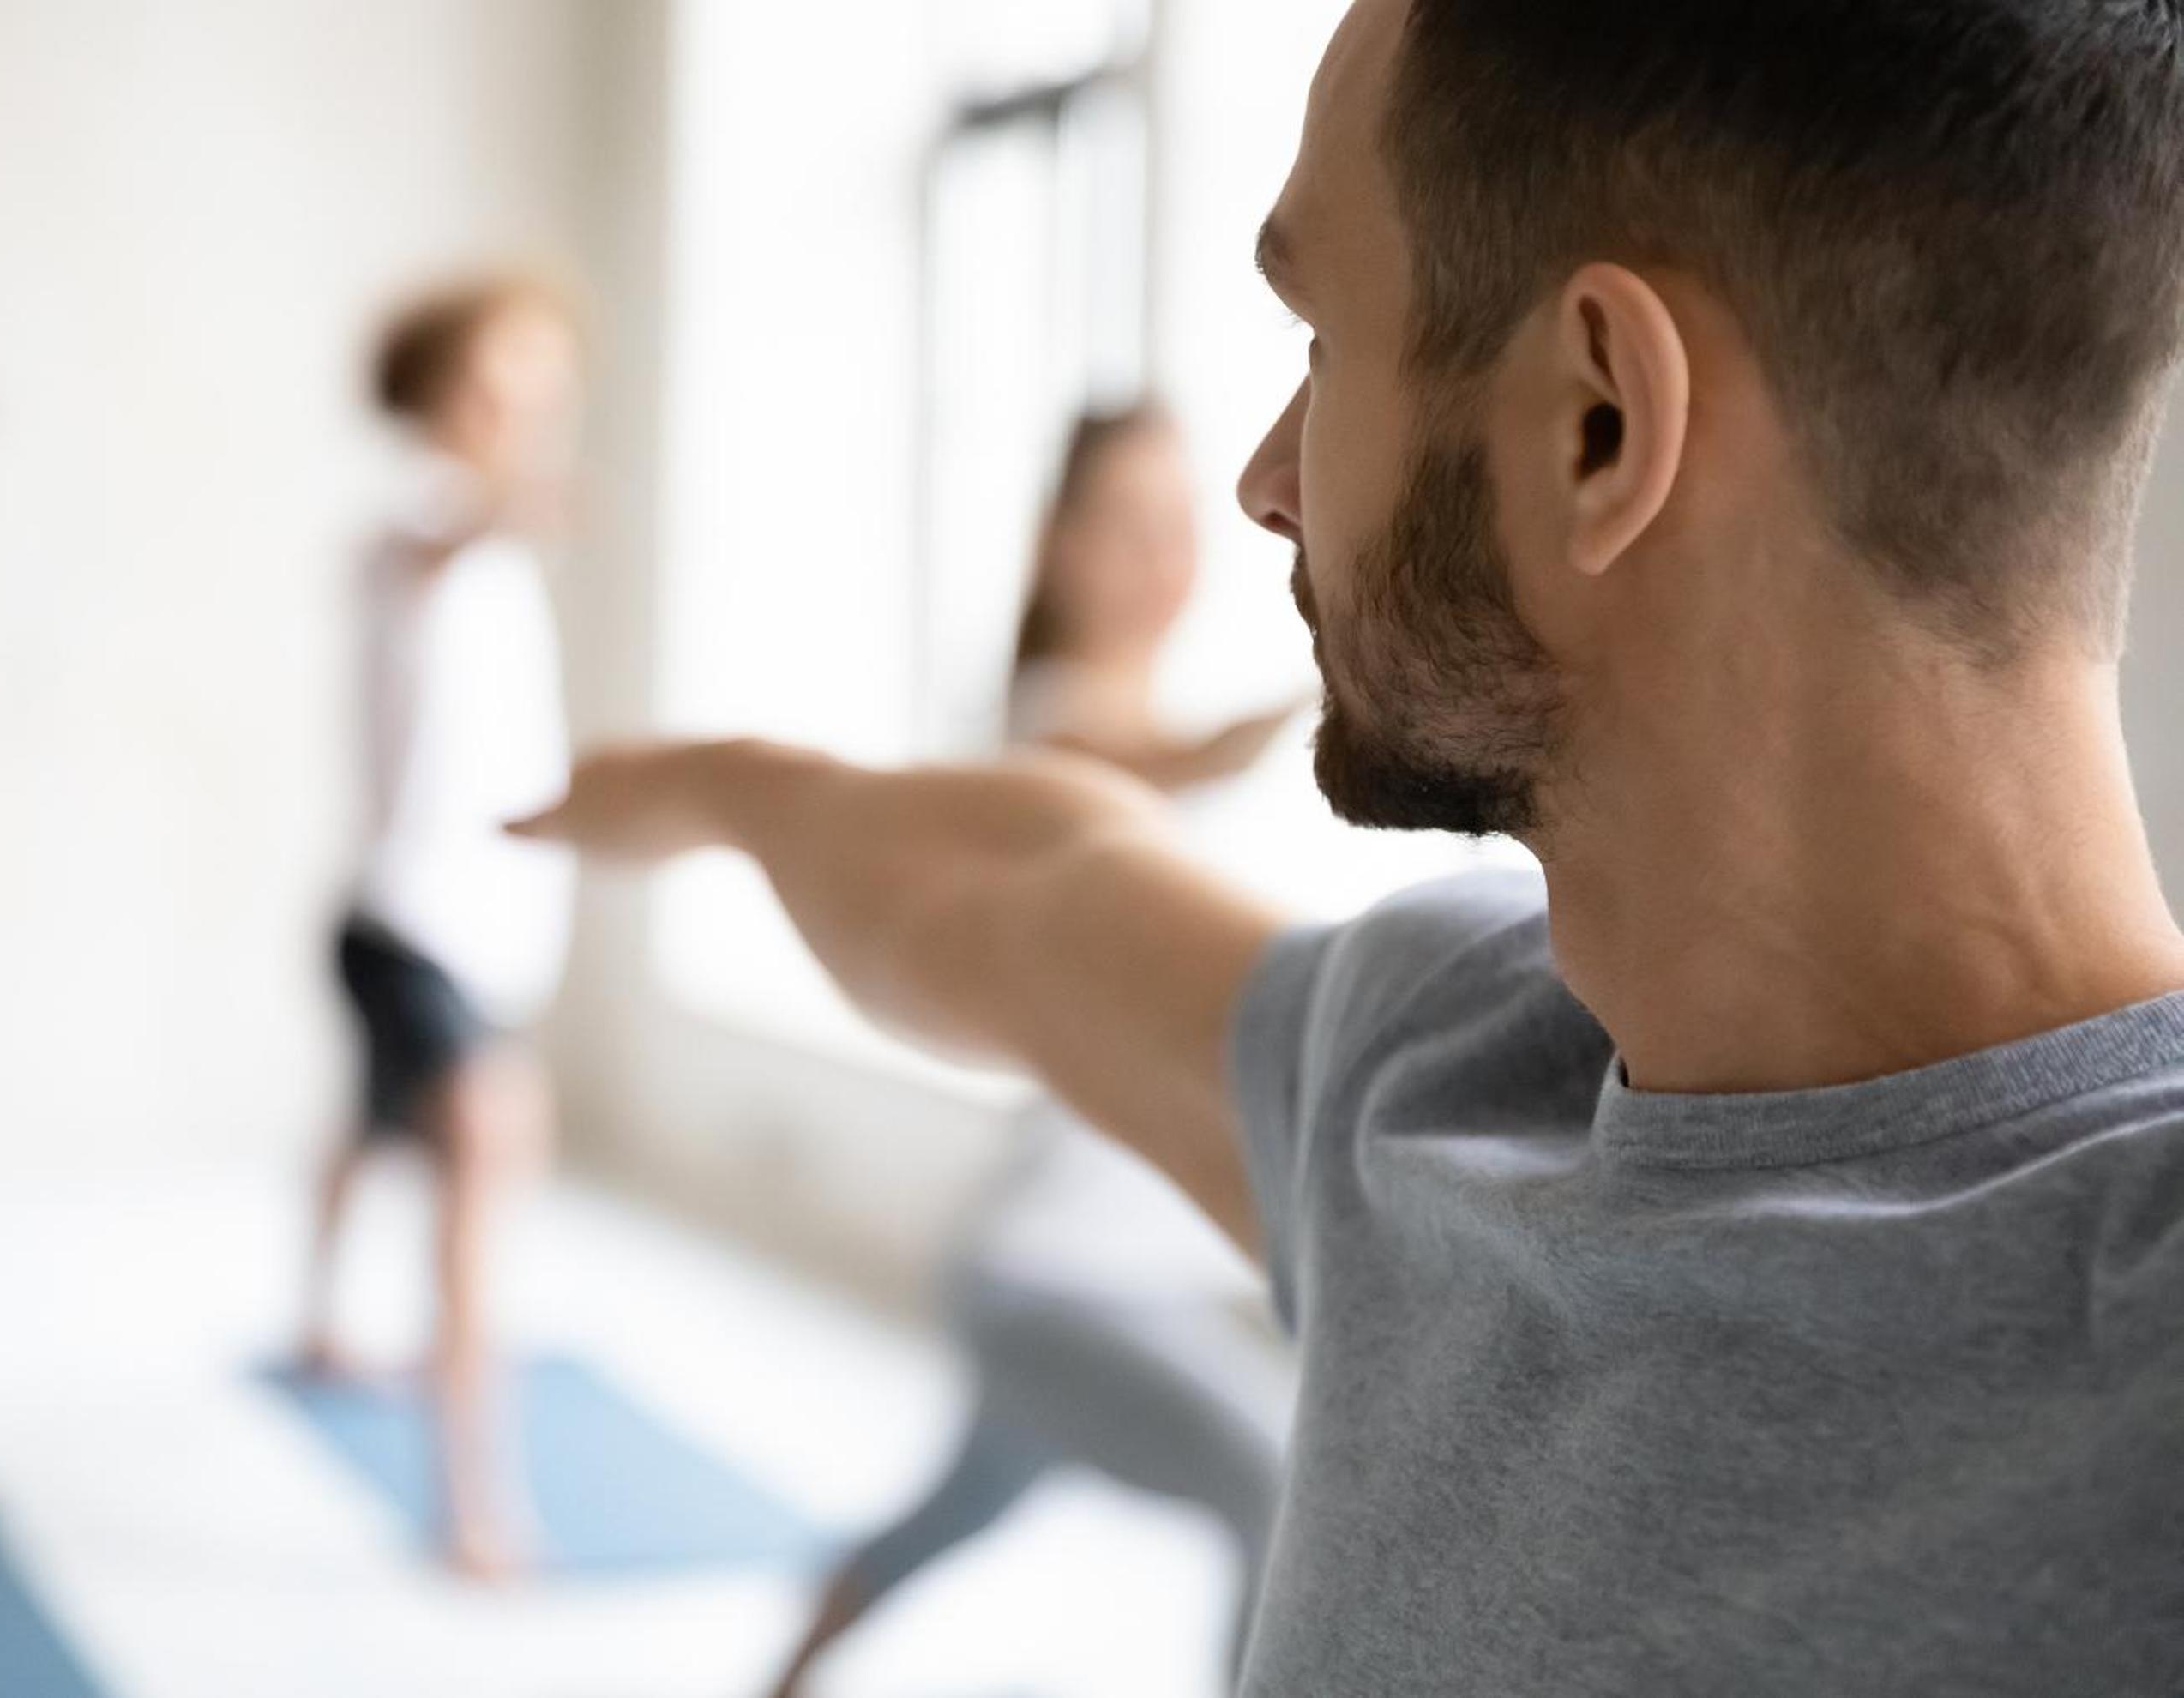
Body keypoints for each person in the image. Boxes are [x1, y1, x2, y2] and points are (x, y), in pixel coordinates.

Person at [521, 3, 2184, 1691]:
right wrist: (729, 794)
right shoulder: (1433, 1073)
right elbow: (1005, 886)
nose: (1267, 481)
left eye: (1318, 339)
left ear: (1598, 423)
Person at [764, 405, 1291, 1698]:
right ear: (1058, 544)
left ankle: (778, 1677)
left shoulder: (1130, 722)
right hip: (1058, 1277)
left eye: (1178, 523)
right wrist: (1380, 645)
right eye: (1127, 525)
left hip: (1111, 1267)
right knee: (1279, 1492)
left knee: (957, 1510)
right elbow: (1172, 757)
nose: (1164, 557)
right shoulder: (1053, 725)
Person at [298, 274, 581, 1582]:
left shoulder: (497, 557)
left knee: (368, 1123)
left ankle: (315, 1312)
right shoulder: (411, 526)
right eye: (502, 373)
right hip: (406, 924)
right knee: (484, 1155)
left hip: (485, 928)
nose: (525, 401)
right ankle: (476, 1501)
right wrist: (507, 500)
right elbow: (442, 542)